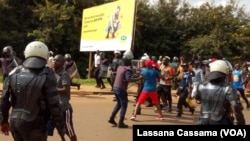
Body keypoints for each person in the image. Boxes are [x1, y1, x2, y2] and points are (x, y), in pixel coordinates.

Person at [0, 41, 65, 140]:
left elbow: (4, 99)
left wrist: (3, 121)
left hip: (15, 122)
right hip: (35, 125)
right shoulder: (47, 74)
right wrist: (61, 126)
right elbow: (54, 104)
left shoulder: (14, 72)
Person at [191, 60, 245, 125]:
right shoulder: (228, 88)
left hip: (203, 120)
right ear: (225, 73)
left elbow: (198, 98)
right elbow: (236, 106)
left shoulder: (201, 86)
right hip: (221, 120)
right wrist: (241, 121)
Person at [108, 50, 137, 128]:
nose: (131, 61)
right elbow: (128, 79)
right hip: (121, 89)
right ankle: (121, 122)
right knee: (124, 104)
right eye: (130, 60)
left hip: (115, 87)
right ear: (128, 60)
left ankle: (111, 118)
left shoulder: (120, 67)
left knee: (119, 103)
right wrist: (139, 79)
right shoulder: (128, 69)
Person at [52, 54, 77, 141]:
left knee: (69, 130)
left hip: (64, 107)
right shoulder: (51, 73)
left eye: (57, 61)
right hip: (54, 106)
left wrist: (52, 89)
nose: (55, 62)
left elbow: (66, 90)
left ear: (63, 63)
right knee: (59, 129)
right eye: (54, 60)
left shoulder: (64, 74)